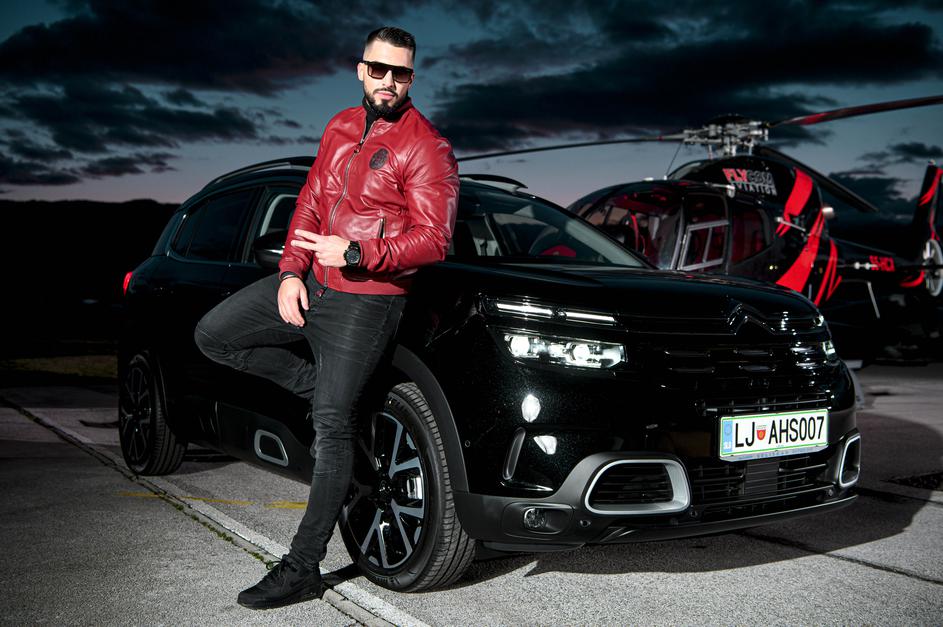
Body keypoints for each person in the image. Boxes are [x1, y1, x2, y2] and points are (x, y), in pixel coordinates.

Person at [193, 26, 458, 610]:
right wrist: (291, 271)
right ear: (361, 69)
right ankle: (329, 392)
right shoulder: (339, 126)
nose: (389, 81)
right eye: (379, 69)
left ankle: (302, 567)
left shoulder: (427, 146)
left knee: (333, 428)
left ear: (412, 78)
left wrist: (358, 253)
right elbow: (311, 201)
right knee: (214, 335)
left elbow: (434, 239)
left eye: (401, 73)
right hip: (312, 282)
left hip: (368, 301)